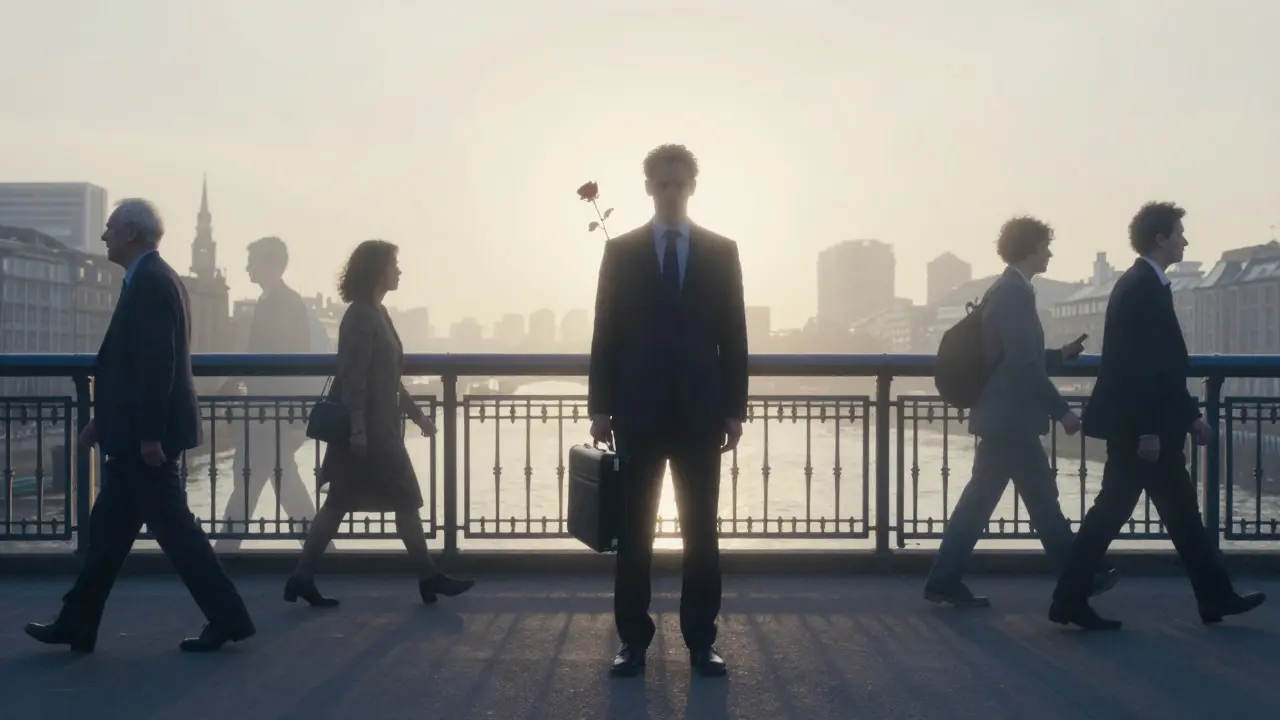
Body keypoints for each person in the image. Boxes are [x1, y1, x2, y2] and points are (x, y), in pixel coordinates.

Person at [25, 199, 256, 653]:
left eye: (109, 229)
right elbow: (134, 364)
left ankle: (229, 617)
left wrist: (149, 433)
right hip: (132, 434)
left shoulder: (149, 282)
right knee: (109, 536)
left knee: (176, 535)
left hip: (142, 440)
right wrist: (101, 421)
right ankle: (77, 623)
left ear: (131, 233)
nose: (104, 236)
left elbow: (156, 365)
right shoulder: (154, 277)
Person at [1050, 201, 1266, 629]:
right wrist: (1150, 430)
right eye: (1179, 233)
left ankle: (1214, 597)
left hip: (1147, 427)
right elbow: (1140, 366)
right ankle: (1070, 599)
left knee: (1175, 516)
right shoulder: (1142, 288)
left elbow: (1161, 364)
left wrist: (1189, 415)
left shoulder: (1143, 284)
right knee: (1122, 514)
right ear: (1160, 239)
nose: (1185, 240)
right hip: (1143, 432)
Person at [588, 144, 749, 677]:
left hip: (702, 413)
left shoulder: (722, 251)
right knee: (635, 533)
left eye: (680, 184)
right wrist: (601, 407)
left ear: (693, 188)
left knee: (702, 532)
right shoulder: (623, 251)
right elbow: (605, 332)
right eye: (663, 184)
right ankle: (632, 639)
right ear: (649, 188)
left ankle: (702, 640)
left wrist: (733, 410)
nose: (672, 192)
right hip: (637, 410)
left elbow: (734, 335)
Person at [924, 217, 1118, 607]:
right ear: (1030, 247)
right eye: (1046, 245)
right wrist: (1061, 410)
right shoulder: (1015, 293)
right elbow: (1021, 365)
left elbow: (1016, 356)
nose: (1050, 252)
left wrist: (1057, 355)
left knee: (998, 503)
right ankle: (1078, 578)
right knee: (1038, 502)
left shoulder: (1009, 288)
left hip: (1003, 418)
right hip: (1010, 420)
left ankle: (945, 579)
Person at [283, 240, 473, 607]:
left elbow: (389, 376)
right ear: (376, 270)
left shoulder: (377, 313)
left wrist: (417, 415)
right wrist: (357, 427)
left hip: (377, 427)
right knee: (402, 498)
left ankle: (302, 577)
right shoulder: (360, 316)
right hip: (369, 430)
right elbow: (354, 376)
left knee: (342, 501)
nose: (399, 271)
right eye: (394, 264)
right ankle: (428, 577)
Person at [216, 236, 320, 549]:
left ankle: (223, 555)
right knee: (281, 483)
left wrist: (292, 420)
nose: (247, 267)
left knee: (250, 481)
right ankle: (321, 554)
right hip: (269, 410)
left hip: (271, 412)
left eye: (253, 260)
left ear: (271, 263)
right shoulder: (276, 301)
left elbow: (286, 361)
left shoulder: (282, 303)